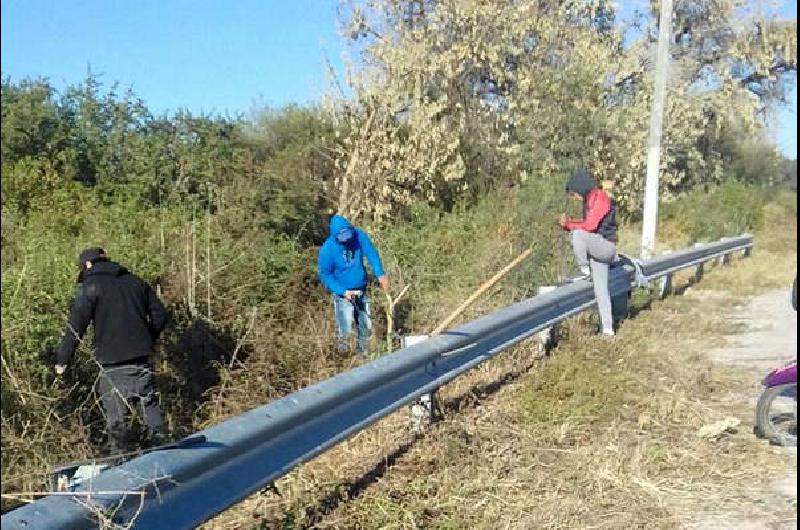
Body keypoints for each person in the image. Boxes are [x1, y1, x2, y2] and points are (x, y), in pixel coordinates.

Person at [55, 247, 168, 454]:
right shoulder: (136, 282)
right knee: (148, 405)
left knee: (116, 417)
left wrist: (62, 360)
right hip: (142, 358)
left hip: (112, 364)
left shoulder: (91, 287)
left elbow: (75, 328)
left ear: (88, 265)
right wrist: (147, 339)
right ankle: (162, 453)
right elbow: (160, 315)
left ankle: (121, 462)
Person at [559, 167, 618, 336]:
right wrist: (568, 225)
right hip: (598, 246)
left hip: (605, 246)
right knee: (601, 289)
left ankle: (584, 269)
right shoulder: (590, 199)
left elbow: (589, 226)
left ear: (580, 187)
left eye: (574, 193)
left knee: (578, 235)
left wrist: (569, 224)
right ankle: (608, 329)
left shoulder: (599, 197)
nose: (575, 198)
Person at [318, 215, 389, 356]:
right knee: (345, 327)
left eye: (348, 235)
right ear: (335, 236)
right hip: (343, 294)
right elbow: (325, 274)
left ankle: (362, 354)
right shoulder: (328, 250)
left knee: (365, 324)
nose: (347, 240)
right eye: (343, 237)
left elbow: (371, 254)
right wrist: (342, 291)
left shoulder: (359, 236)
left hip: (361, 289)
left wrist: (380, 274)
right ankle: (343, 357)